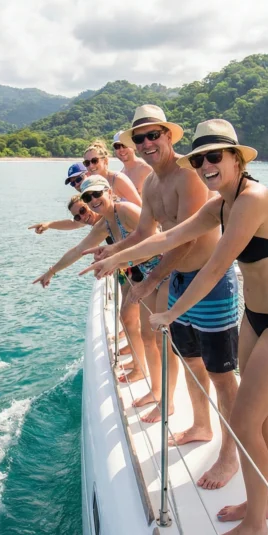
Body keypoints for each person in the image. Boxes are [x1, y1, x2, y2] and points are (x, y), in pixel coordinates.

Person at [83, 119, 268, 534]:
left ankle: (256, 526)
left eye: (215, 156)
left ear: (237, 159)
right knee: (260, 420)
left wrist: (171, 312)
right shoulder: (219, 204)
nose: (206, 164)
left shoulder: (253, 198)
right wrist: (116, 258)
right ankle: (260, 506)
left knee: (243, 422)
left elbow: (216, 265)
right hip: (256, 320)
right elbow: (164, 239)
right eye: (201, 158)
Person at [82, 105, 240, 491]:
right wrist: (113, 254)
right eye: (140, 138)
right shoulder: (152, 184)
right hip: (182, 281)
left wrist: (150, 278)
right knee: (190, 361)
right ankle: (201, 426)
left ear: (169, 136)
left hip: (211, 283)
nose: (147, 143)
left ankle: (231, 454)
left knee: (222, 375)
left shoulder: (190, 177)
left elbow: (187, 237)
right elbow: (142, 235)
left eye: (154, 135)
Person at [33, 176, 161, 388]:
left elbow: (153, 236)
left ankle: (156, 388)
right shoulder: (104, 225)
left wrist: (116, 258)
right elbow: (78, 250)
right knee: (135, 324)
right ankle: (143, 372)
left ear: (109, 192)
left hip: (160, 272)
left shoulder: (125, 210)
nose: (92, 201)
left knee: (156, 335)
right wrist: (51, 271)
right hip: (140, 273)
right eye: (88, 197)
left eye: (96, 195)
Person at [28, 162, 90, 234]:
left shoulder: (101, 194)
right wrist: (48, 225)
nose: (76, 184)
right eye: (72, 183)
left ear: (88, 174)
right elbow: (77, 223)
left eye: (78, 179)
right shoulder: (87, 199)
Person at [82, 140, 142, 206]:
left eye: (94, 161)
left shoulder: (118, 179)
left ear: (105, 161)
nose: (91, 166)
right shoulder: (93, 185)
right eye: (87, 163)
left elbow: (140, 207)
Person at [112, 130, 152, 196]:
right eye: (117, 146)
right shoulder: (121, 174)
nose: (121, 149)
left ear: (133, 145)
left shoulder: (146, 169)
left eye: (124, 145)